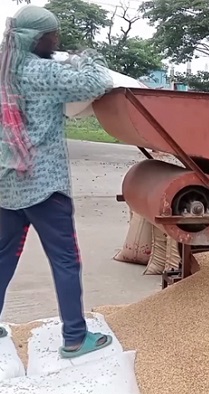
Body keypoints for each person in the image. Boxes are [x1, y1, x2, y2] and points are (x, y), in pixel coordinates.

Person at [0, 5, 114, 358]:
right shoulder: (41, 72)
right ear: (38, 38)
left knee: (3, 256)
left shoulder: (5, 70)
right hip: (44, 185)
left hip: (7, 183)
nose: (57, 39)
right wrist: (86, 57)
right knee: (66, 260)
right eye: (53, 34)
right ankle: (76, 338)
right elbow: (99, 82)